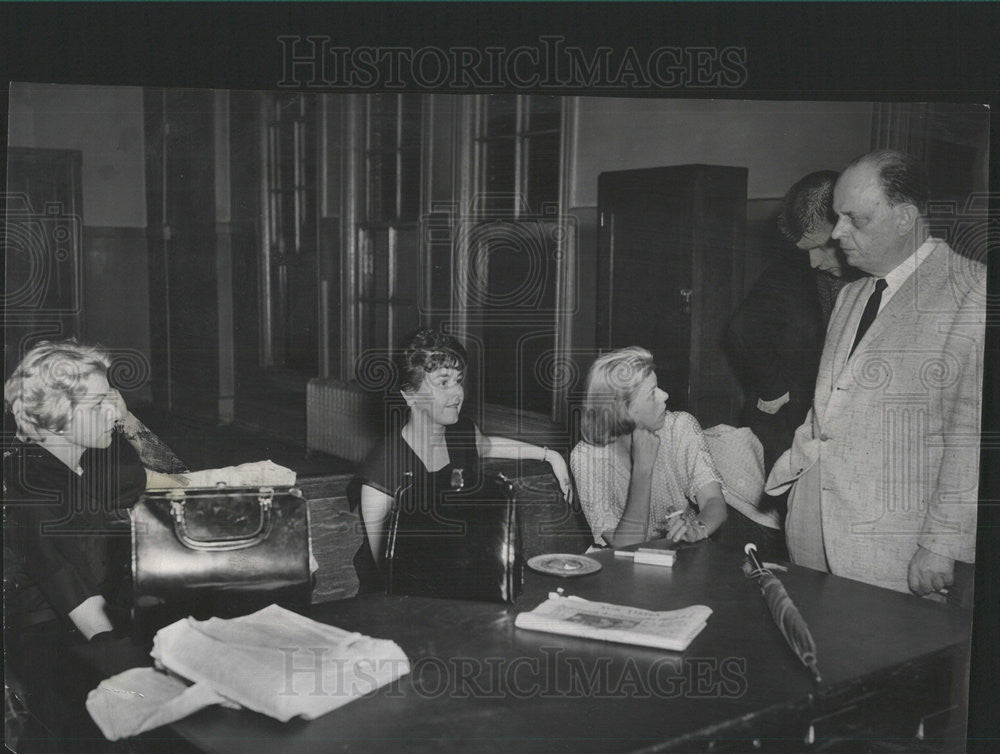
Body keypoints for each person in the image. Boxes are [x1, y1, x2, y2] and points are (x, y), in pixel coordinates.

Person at [765, 150, 985, 606]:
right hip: (811, 532)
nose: (839, 232)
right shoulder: (851, 295)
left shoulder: (973, 292)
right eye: (836, 217)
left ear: (904, 218)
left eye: (853, 219)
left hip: (894, 550)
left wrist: (942, 543)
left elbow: (973, 434)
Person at [3, 339, 293, 642]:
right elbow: (97, 629)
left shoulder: (75, 471)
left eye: (112, 399)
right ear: (57, 415)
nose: (114, 413)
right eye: (99, 403)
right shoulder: (33, 500)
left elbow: (180, 478)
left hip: (102, 627)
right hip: (52, 651)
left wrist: (128, 419)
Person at [350, 329, 573, 589]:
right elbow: (386, 570)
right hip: (402, 598)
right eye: (443, 382)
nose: (457, 393)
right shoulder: (383, 469)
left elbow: (489, 445)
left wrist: (551, 456)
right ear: (410, 395)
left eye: (458, 380)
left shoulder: (462, 433)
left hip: (461, 579)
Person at [727, 170, 857, 476]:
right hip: (789, 419)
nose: (814, 263)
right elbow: (743, 327)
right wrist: (775, 393)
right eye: (806, 250)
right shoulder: (791, 273)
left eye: (822, 247)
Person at [570, 347, 727, 549]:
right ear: (623, 410)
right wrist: (642, 469)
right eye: (652, 393)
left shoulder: (680, 427)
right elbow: (626, 545)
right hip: (622, 568)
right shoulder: (586, 457)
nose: (665, 395)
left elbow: (714, 501)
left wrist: (698, 528)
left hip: (683, 555)